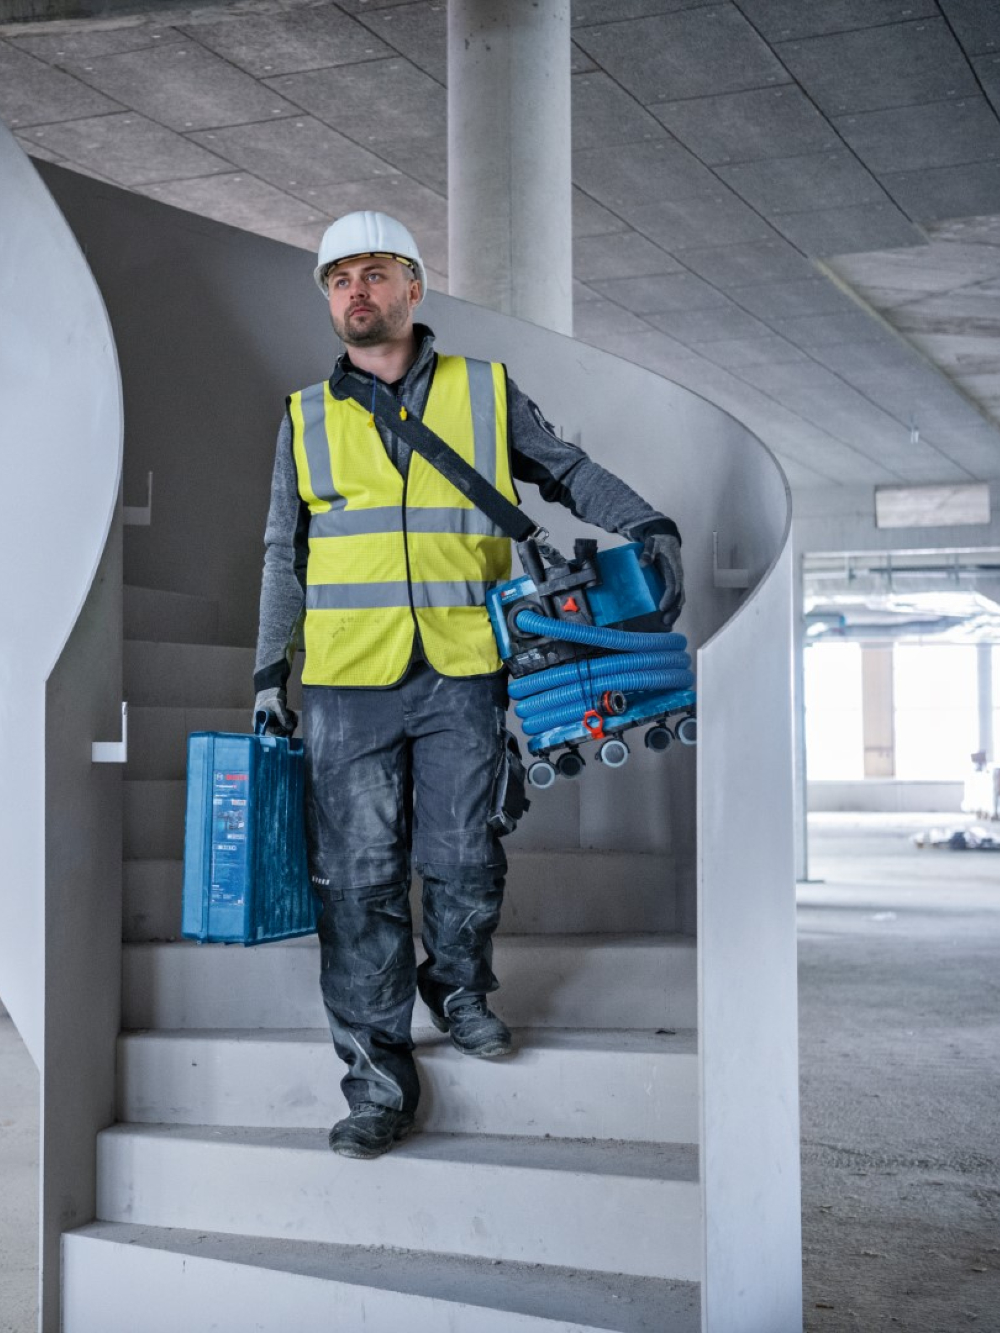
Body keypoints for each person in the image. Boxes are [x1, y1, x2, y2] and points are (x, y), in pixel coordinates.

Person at [252, 211, 684, 1160]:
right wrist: (266, 668)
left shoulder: (484, 392)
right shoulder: (303, 415)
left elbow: (565, 471)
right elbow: (287, 551)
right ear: (328, 299)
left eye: (374, 274)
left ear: (413, 288)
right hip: (344, 675)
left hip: (463, 663)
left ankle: (456, 984)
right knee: (356, 880)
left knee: (466, 850)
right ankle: (375, 1080)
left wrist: (647, 523)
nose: (355, 293)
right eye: (338, 280)